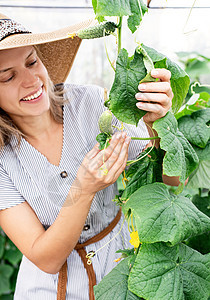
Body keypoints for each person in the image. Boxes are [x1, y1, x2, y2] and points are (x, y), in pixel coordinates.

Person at [0, 12, 176, 300]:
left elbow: (169, 181)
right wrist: (83, 189)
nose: (32, 80)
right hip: (47, 289)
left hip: (121, 271)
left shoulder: (94, 103)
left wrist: (157, 125)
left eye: (32, 62)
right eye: (8, 77)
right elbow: (45, 259)